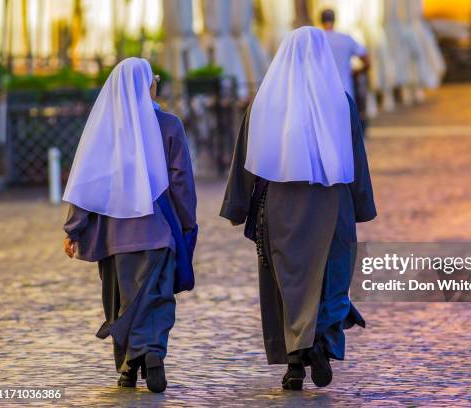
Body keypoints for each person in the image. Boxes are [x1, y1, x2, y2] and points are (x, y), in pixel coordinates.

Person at [220, 26, 376, 391]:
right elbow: (357, 157)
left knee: (286, 282)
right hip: (332, 203)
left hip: (280, 208)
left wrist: (236, 206)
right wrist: (361, 205)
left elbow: (244, 157)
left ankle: (293, 363)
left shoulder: (264, 103)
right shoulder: (341, 102)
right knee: (331, 278)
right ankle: (320, 339)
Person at [62, 58, 197, 393]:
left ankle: (126, 369)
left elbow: (87, 184)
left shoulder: (104, 132)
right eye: (155, 79)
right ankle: (151, 354)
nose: (157, 84)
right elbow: (181, 181)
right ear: (146, 85)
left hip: (112, 236)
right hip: (157, 231)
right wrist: (187, 222)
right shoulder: (168, 124)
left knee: (120, 299)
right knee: (155, 296)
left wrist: (73, 229)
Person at [320, 9, 370, 99]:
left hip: (324, 95)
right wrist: (356, 73)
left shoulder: (317, 41)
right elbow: (367, 61)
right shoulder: (346, 39)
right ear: (335, 20)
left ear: (320, 21)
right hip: (346, 92)